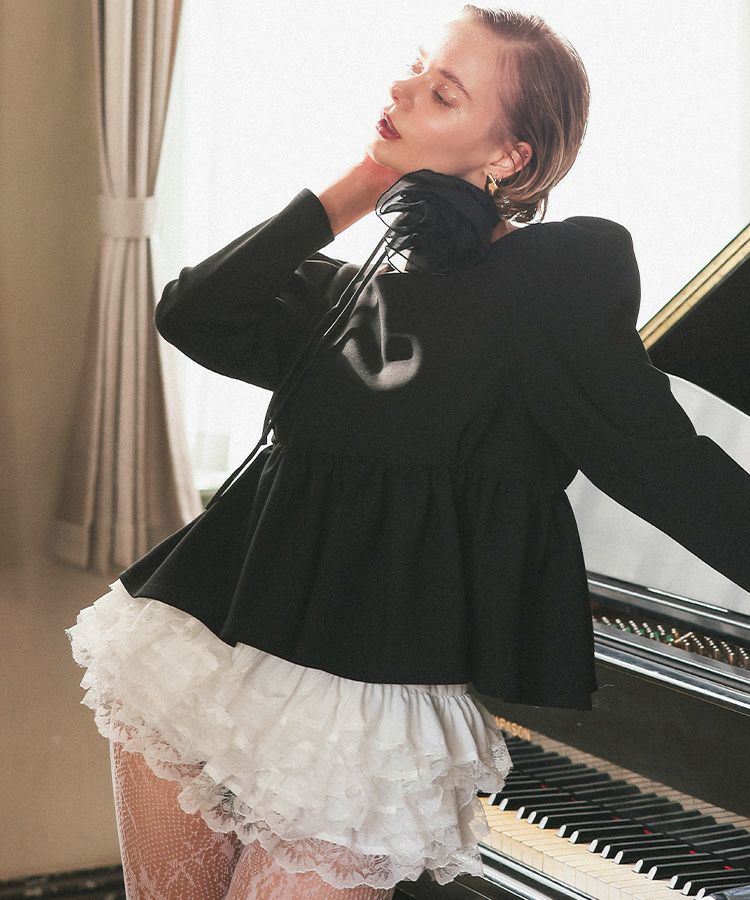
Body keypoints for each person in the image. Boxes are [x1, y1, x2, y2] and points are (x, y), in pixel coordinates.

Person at [65, 6, 750, 900]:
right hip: (204, 651)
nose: (403, 88)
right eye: (416, 67)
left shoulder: (555, 282)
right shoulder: (351, 292)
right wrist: (360, 185)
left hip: (365, 711)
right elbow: (193, 314)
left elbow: (661, 458)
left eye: (443, 92)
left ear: (509, 157)